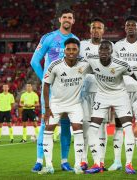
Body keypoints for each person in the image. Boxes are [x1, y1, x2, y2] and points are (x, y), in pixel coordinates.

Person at [30, 8, 78, 172]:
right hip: (51, 92)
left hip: (69, 92)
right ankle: (39, 160)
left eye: (70, 17)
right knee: (46, 124)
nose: (67, 19)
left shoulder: (75, 40)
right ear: (60, 19)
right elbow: (35, 61)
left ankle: (64, 161)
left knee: (66, 126)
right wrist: (46, 81)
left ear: (73, 21)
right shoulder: (48, 38)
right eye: (64, 17)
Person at [38, 38, 92, 175]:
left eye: (74, 49)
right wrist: (47, 108)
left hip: (75, 104)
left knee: (78, 129)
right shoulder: (55, 65)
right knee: (48, 130)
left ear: (78, 51)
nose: (71, 52)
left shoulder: (85, 64)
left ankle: (78, 165)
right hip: (56, 104)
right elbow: (46, 85)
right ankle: (49, 165)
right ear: (64, 50)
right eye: (68, 49)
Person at [109, 15, 137, 171]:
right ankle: (117, 161)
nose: (130, 27)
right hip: (122, 91)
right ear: (124, 28)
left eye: (133, 25)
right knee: (119, 126)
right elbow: (113, 68)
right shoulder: (117, 46)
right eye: (128, 25)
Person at [86, 40, 136, 174]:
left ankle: (129, 164)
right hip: (101, 96)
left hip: (120, 96)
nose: (103, 52)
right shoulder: (91, 59)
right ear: (98, 51)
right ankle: (97, 163)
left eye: (106, 50)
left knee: (128, 128)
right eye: (101, 50)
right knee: (92, 130)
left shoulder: (122, 64)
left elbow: (136, 75)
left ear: (111, 52)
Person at [79, 17, 112, 172]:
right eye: (93, 27)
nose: (96, 30)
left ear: (103, 31)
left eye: (99, 28)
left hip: (103, 92)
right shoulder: (82, 45)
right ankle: (84, 160)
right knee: (85, 126)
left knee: (101, 128)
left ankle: (101, 161)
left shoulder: (110, 46)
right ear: (90, 30)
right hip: (85, 92)